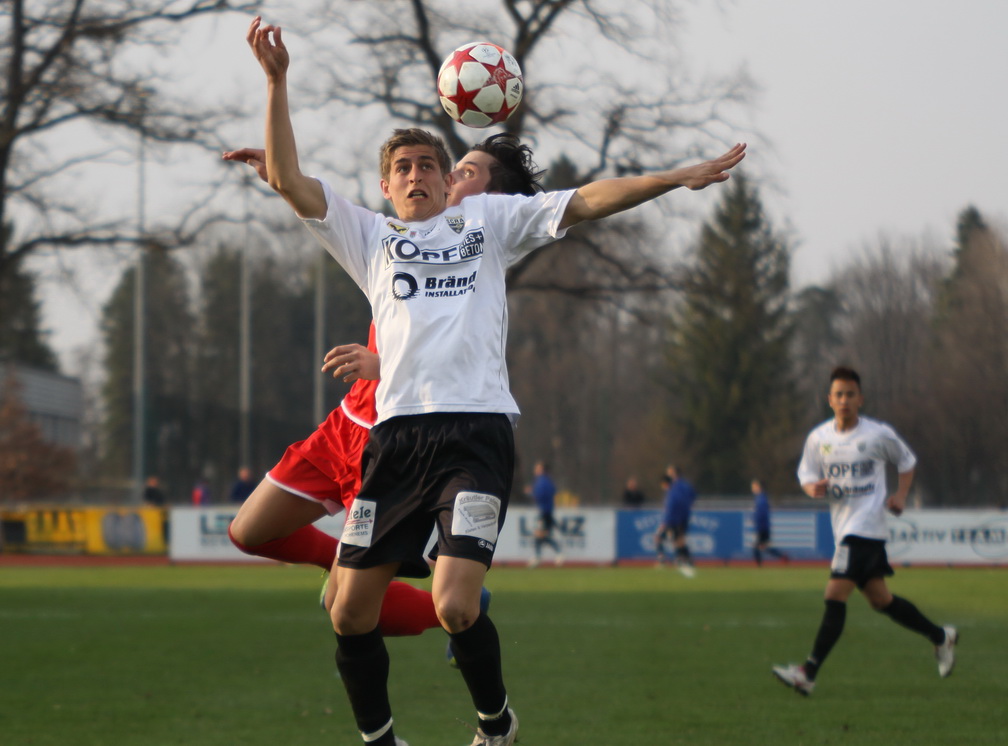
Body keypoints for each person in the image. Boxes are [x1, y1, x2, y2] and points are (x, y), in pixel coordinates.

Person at [244, 16, 744, 746]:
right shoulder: (371, 237)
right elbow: (288, 181)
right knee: (347, 611)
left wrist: (674, 178)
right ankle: (381, 740)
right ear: (385, 186)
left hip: (475, 438)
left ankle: (495, 725)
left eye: (429, 165)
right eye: (403, 167)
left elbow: (587, 198)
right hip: (395, 443)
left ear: (448, 179)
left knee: (454, 604)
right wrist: (277, 82)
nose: (417, 175)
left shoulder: (487, 222)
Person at [772, 366, 957, 697]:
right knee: (880, 600)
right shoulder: (819, 438)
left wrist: (900, 495)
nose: (844, 400)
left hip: (866, 527)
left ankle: (807, 673)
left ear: (861, 399)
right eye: (839, 395)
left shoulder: (877, 434)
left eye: (850, 394)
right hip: (844, 528)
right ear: (829, 400)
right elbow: (806, 474)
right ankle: (941, 637)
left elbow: (907, 461)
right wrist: (811, 488)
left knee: (834, 595)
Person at [654, 465, 697, 577]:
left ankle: (668, 560)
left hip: (673, 518)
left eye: (669, 472)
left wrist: (667, 519)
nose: (667, 474)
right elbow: (693, 496)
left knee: (666, 538)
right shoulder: (685, 485)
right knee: (679, 540)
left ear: (674, 473)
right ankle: (685, 560)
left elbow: (673, 503)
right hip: (683, 516)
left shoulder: (674, 487)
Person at [528, 460, 563, 568]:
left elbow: (540, 495)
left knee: (541, 535)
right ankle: (540, 556)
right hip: (547, 511)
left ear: (541, 470)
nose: (535, 470)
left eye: (537, 468)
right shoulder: (547, 481)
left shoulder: (542, 481)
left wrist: (531, 492)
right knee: (541, 535)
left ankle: (557, 553)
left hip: (544, 511)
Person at [751, 477, 788, 566]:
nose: (752, 488)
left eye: (754, 486)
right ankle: (782, 556)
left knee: (757, 547)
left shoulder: (761, 499)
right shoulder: (760, 498)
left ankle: (759, 565)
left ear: (758, 487)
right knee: (763, 547)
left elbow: (762, 514)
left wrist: (758, 523)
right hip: (763, 527)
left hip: (762, 527)